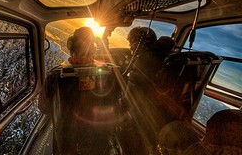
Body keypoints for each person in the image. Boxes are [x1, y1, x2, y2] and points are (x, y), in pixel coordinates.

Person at [38, 27, 119, 155]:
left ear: (71, 48)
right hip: (99, 142)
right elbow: (115, 104)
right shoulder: (109, 74)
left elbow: (44, 107)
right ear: (93, 50)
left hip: (66, 145)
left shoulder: (55, 76)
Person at [125, 26, 175, 154]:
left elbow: (129, 98)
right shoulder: (166, 56)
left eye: (132, 42)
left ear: (141, 42)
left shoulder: (144, 60)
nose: (130, 46)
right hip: (165, 115)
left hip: (145, 117)